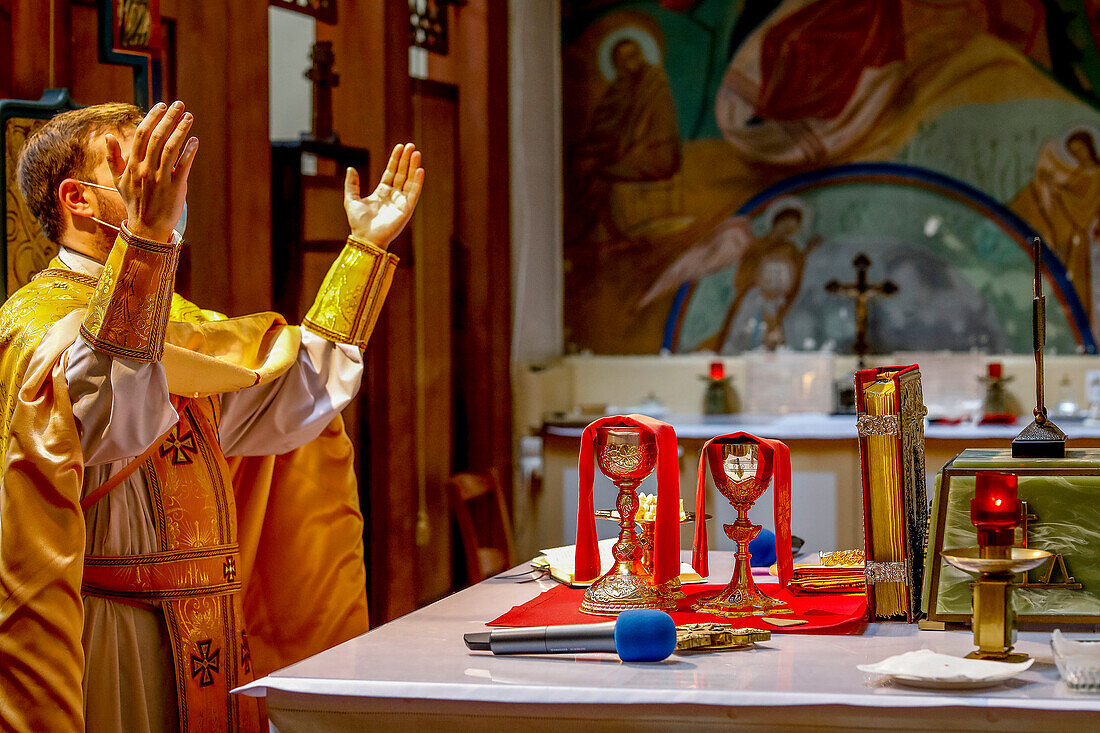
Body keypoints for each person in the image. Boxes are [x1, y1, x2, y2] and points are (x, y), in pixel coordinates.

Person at [0, 100, 424, 732]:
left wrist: (364, 248)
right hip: (110, 625)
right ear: (78, 199)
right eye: (139, 159)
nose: (164, 176)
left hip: (211, 624)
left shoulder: (178, 317)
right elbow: (107, 421)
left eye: (168, 160)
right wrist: (145, 243)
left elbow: (293, 395)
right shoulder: (34, 321)